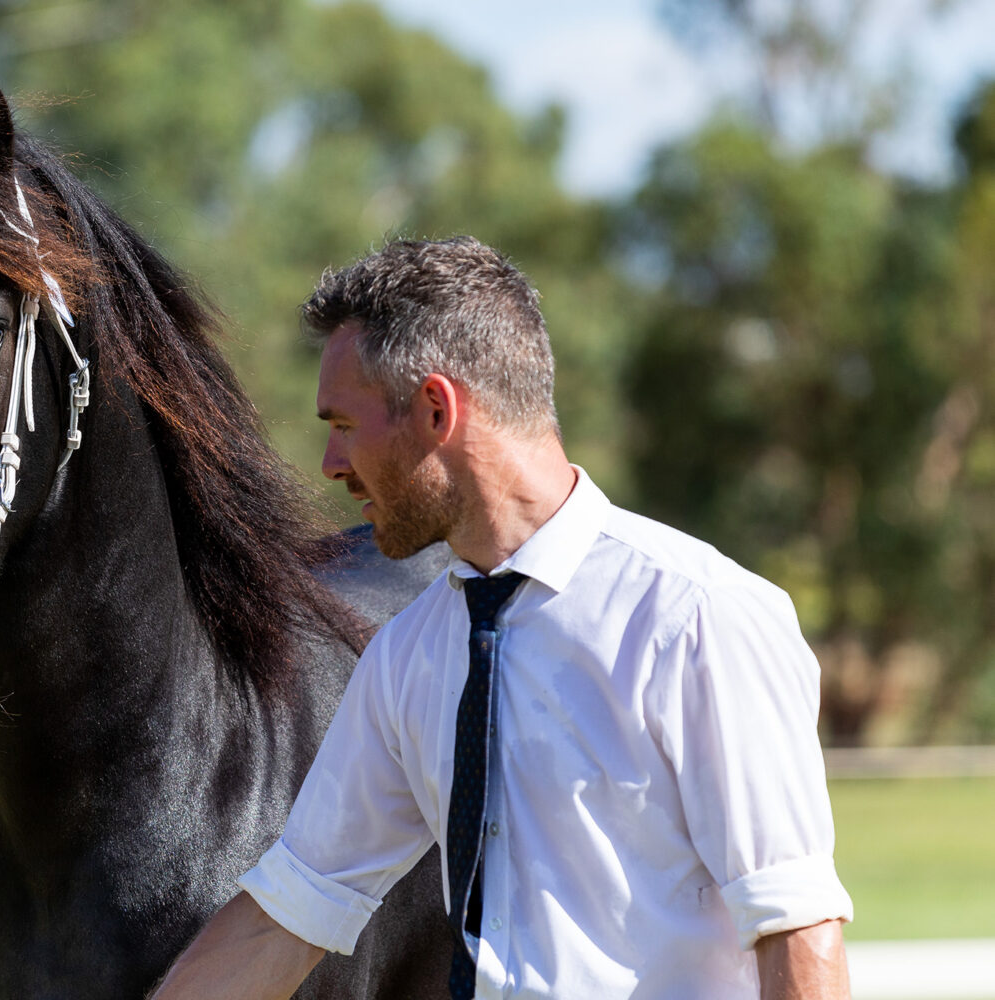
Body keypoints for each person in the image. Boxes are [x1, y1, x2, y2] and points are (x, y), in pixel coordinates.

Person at [151, 237, 854, 1000]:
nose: (328, 462)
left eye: (344, 425)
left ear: (434, 409)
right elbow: (288, 912)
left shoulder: (696, 616)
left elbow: (797, 926)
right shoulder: (408, 656)